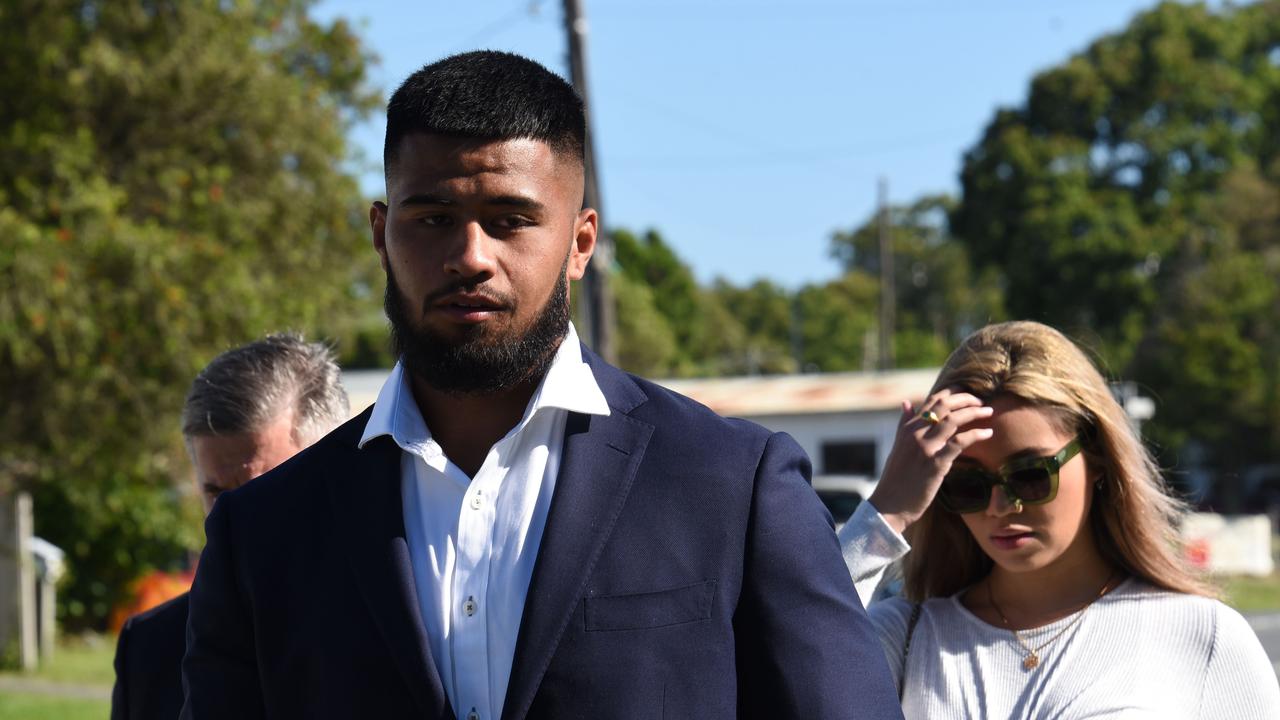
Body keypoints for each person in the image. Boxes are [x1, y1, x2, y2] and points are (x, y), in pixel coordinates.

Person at [180, 51, 902, 720]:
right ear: (380, 233)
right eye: (432, 218)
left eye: (510, 220)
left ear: (580, 242)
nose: (470, 256)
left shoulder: (731, 485)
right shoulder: (264, 531)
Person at [839, 321, 1280, 718]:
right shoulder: (904, 636)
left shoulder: (1201, 636)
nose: (997, 506)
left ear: (1099, 460)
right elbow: (782, 669)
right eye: (967, 485)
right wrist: (886, 513)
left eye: (1030, 475)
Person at [111, 334, 349, 720]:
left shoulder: (411, 628)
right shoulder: (150, 649)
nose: (233, 523)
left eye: (263, 491)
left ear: (339, 470)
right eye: (217, 494)